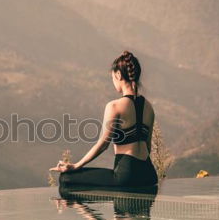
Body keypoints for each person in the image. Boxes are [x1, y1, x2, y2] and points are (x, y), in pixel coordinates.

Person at [50, 51, 158, 190]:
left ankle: (87, 212)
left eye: (113, 78)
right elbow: (148, 147)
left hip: (126, 175)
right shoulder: (149, 108)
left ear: (118, 75)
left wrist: (76, 165)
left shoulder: (114, 106)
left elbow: (103, 145)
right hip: (149, 174)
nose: (113, 82)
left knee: (66, 179)